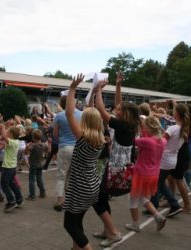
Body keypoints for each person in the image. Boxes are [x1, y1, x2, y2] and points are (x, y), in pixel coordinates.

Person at [93, 72, 139, 247]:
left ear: (125, 114)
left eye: (119, 110)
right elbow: (119, 104)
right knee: (102, 197)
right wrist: (118, 85)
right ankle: (107, 229)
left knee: (97, 199)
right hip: (119, 168)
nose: (116, 109)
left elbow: (101, 110)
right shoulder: (129, 125)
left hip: (116, 169)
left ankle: (113, 232)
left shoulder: (121, 125)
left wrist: (98, 90)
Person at [63, 74, 105, 250]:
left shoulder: (82, 138)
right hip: (92, 185)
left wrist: (72, 88)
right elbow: (93, 112)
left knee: (69, 224)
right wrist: (96, 91)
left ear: (85, 121)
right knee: (77, 219)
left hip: (79, 186)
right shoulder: (101, 139)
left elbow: (69, 113)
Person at [126, 116, 167, 232]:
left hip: (141, 173)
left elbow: (130, 140)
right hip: (154, 174)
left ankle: (135, 224)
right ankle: (158, 217)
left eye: (144, 126)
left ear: (149, 127)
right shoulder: (163, 141)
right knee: (143, 198)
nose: (142, 128)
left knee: (133, 198)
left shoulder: (145, 141)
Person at [151, 103, 189, 217]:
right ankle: (157, 204)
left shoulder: (173, 128)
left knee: (158, 183)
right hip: (173, 159)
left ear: (177, 113)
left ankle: (173, 204)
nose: (172, 112)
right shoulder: (184, 129)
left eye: (174, 111)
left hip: (165, 158)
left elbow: (162, 142)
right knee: (160, 183)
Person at [53, 92, 82, 211]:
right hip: (79, 147)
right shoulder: (82, 114)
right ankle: (72, 199)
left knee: (62, 175)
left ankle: (60, 200)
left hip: (65, 147)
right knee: (73, 175)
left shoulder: (59, 116)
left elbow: (55, 135)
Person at [0, 126, 23, 212]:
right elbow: (4, 138)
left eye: (8, 132)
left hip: (8, 167)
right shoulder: (15, 141)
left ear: (11, 134)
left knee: (4, 184)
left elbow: (4, 136)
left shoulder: (13, 142)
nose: (7, 133)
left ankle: (11, 201)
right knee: (12, 183)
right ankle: (19, 199)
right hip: (12, 166)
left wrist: (2, 127)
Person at [25, 129, 48, 200]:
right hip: (40, 164)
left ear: (33, 137)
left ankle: (32, 195)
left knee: (32, 179)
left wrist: (27, 146)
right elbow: (48, 150)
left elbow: (26, 152)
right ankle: (42, 192)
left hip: (33, 164)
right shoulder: (44, 145)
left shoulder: (33, 146)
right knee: (39, 178)